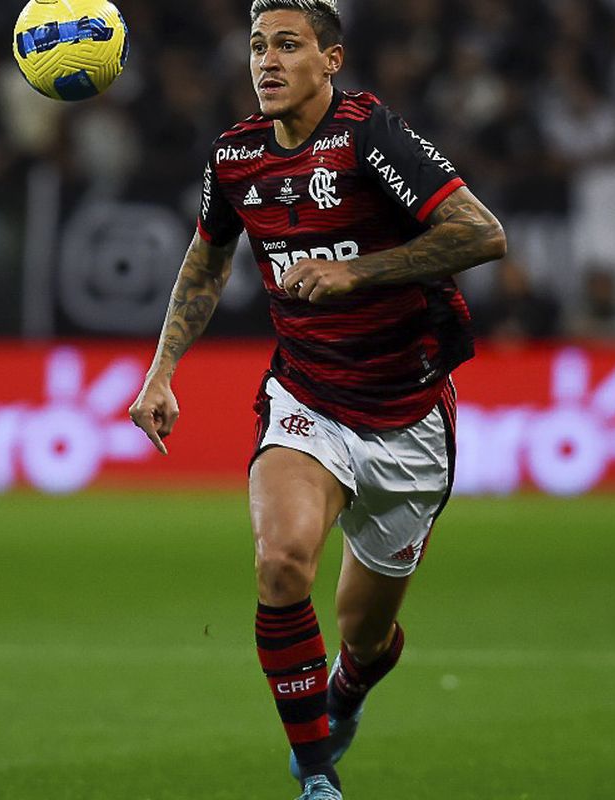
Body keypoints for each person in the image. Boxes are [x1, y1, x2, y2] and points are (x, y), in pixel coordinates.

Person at [126, 3, 507, 799]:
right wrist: (161, 371)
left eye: (288, 45)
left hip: (407, 415)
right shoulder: (234, 157)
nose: (267, 61)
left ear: (330, 61)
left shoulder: (370, 136)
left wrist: (356, 271)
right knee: (281, 561)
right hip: (307, 399)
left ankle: (349, 689)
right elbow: (205, 263)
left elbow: (481, 234)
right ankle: (316, 775)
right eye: (258, 46)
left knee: (365, 637)